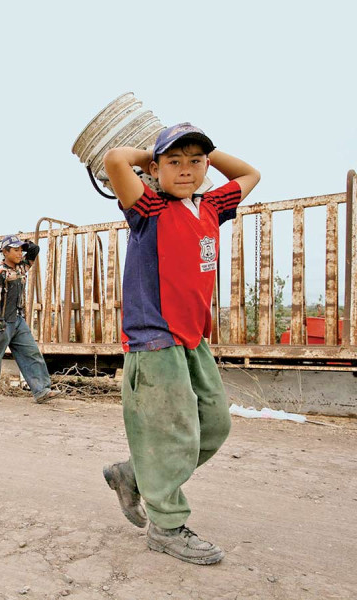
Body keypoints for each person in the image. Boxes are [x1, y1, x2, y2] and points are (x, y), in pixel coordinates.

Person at [101, 123, 260, 565]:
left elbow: (249, 175)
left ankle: (135, 474)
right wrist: (153, 148)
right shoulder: (147, 209)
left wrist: (205, 153)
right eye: (174, 162)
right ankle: (166, 527)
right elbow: (116, 159)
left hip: (194, 338)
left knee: (213, 425)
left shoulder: (210, 207)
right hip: (155, 339)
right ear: (154, 168)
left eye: (196, 161)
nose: (186, 170)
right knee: (171, 433)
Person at [0, 235, 58, 403]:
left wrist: (24, 243)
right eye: (15, 250)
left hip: (18, 321)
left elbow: (34, 250)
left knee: (31, 353)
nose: (20, 253)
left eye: (21, 250)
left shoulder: (21, 268)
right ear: (5, 252)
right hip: (3, 321)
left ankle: (42, 390)